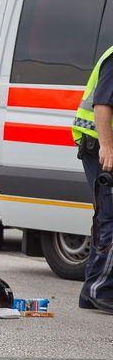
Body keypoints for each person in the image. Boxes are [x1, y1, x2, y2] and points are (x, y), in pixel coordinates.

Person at [72, 45, 113, 313]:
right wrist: (107, 147)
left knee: (105, 217)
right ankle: (102, 290)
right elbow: (102, 104)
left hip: (100, 148)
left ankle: (91, 291)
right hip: (101, 149)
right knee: (110, 217)